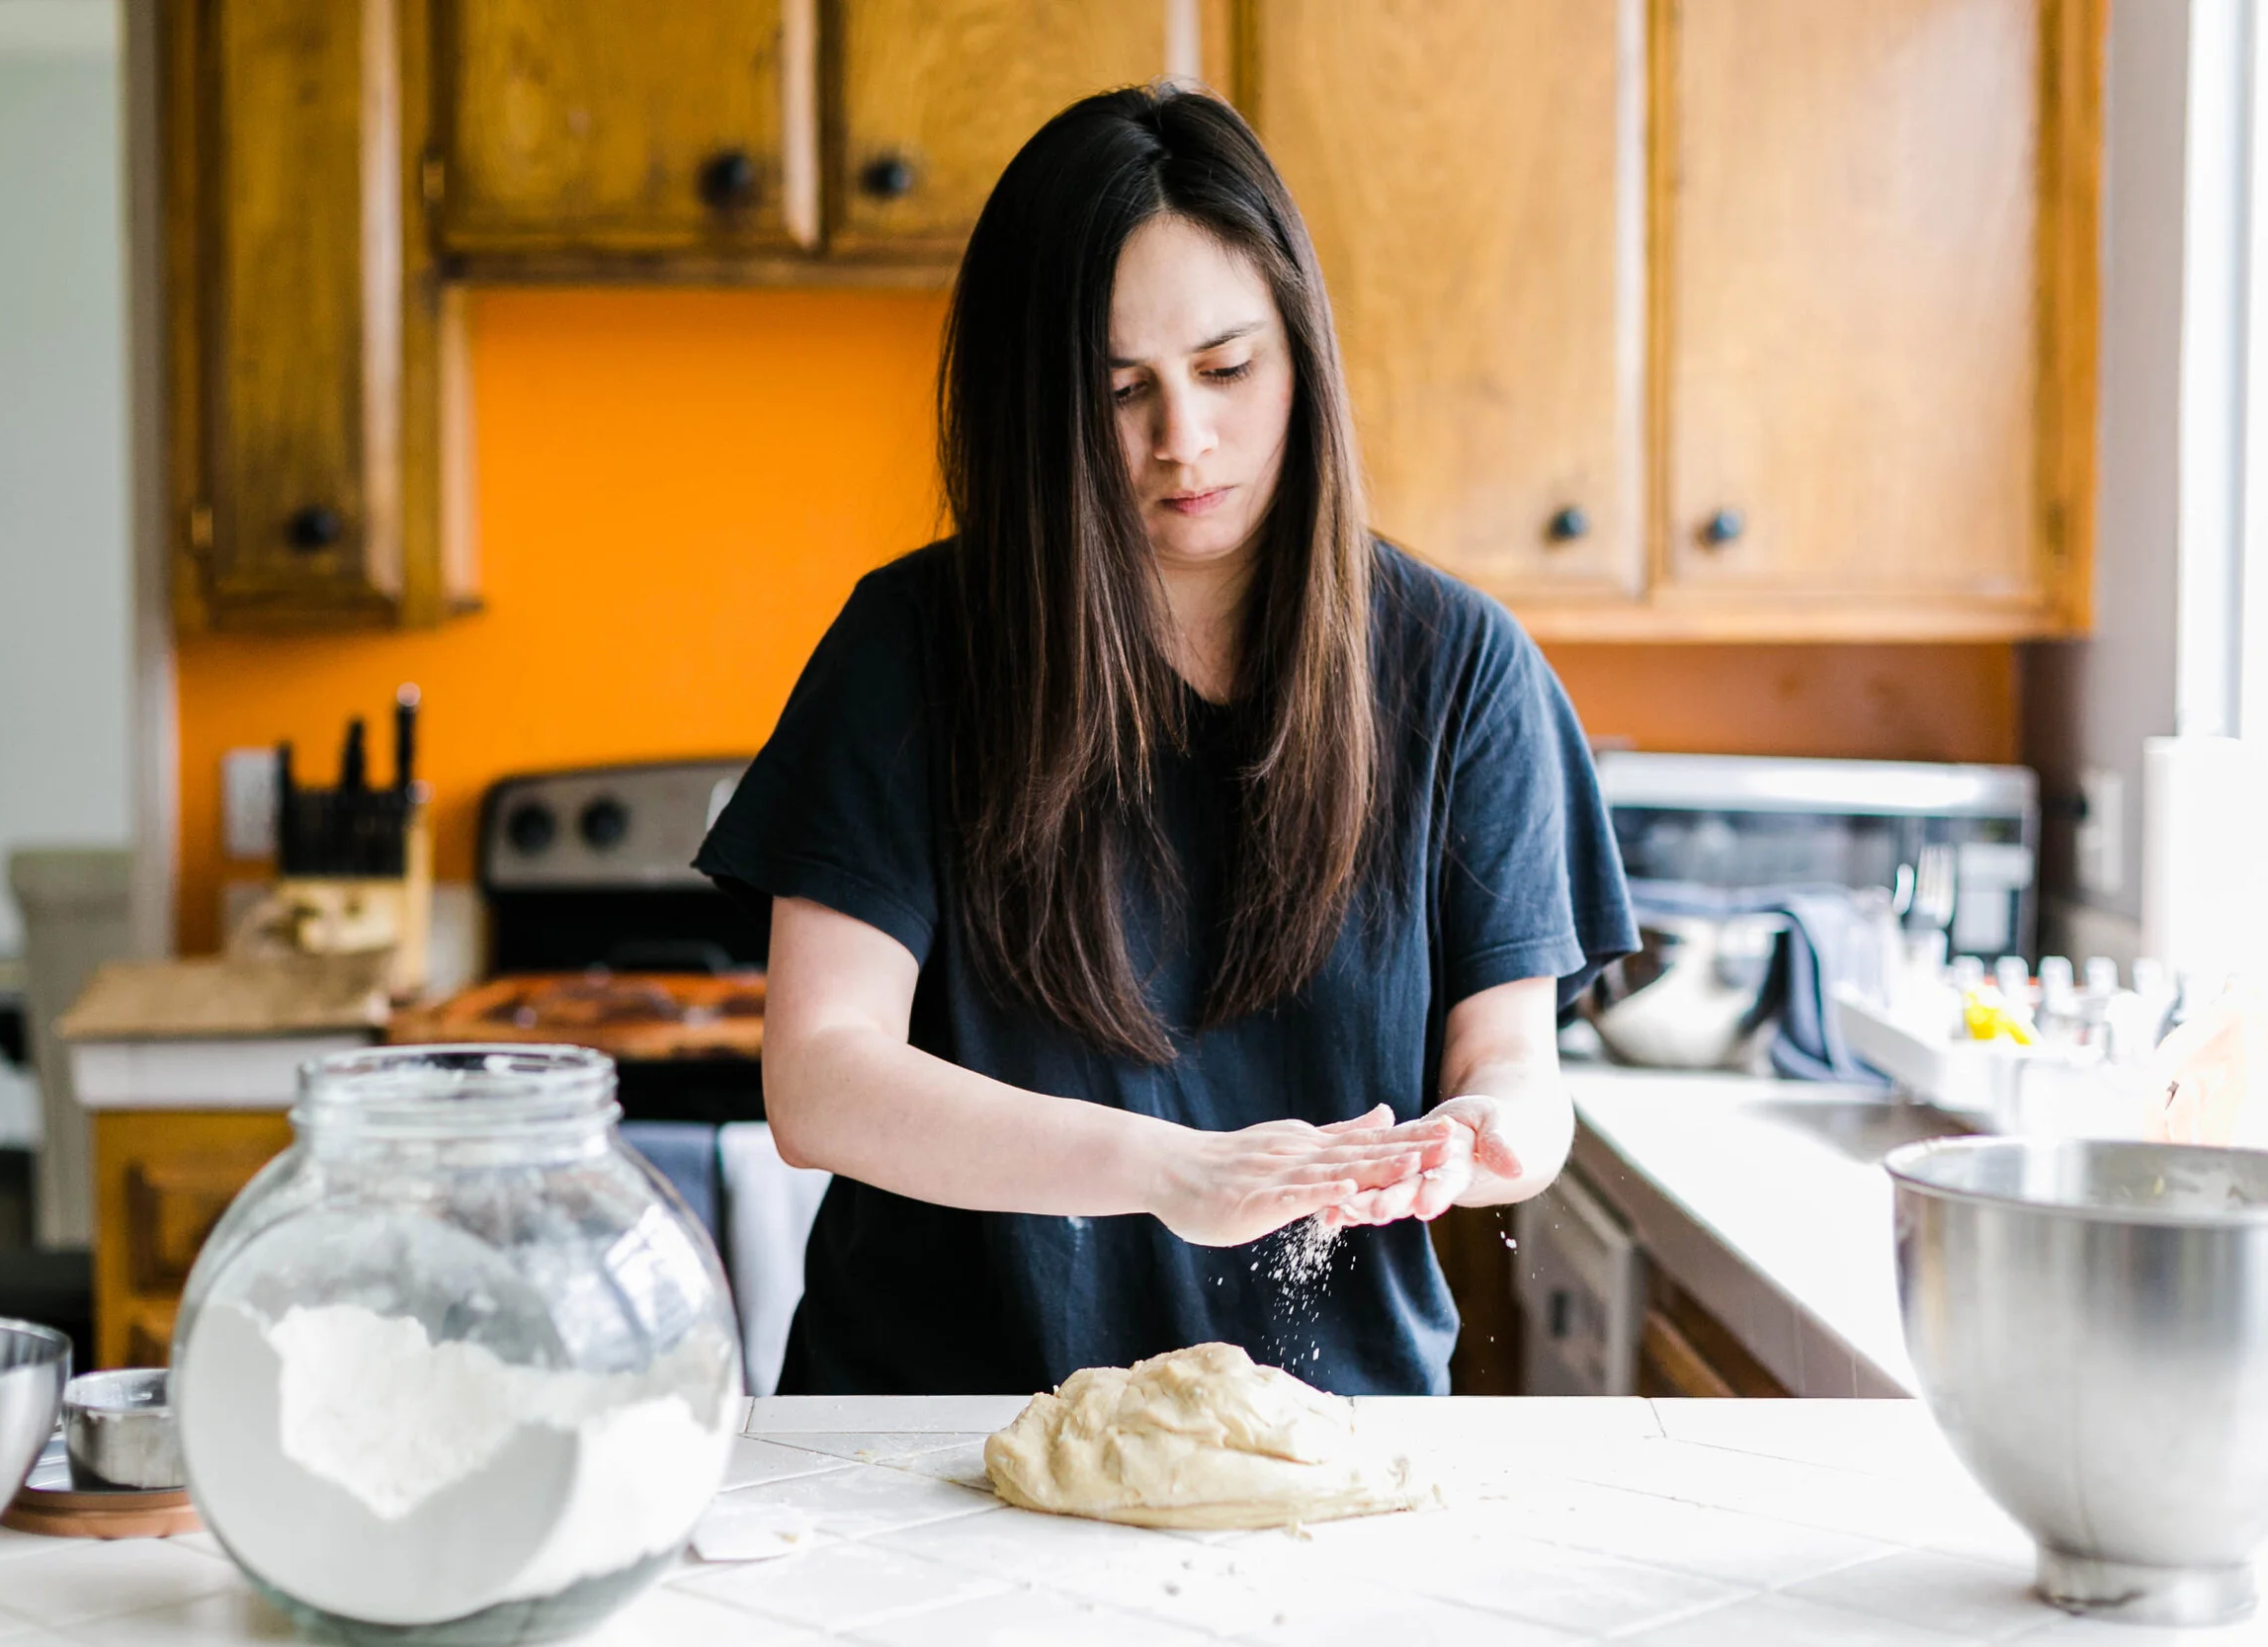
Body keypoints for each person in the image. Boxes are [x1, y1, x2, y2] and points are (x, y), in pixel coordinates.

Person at [696, 83, 1635, 1396]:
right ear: (1035, 408)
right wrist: (1173, 1169)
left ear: (1302, 349)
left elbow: (1514, 1067)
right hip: (928, 1438)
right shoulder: (912, 649)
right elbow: (821, 1078)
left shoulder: (1458, 668)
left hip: (1323, 1436)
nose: (1181, 441)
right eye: (1118, 389)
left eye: (1229, 369)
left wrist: (1482, 1134)